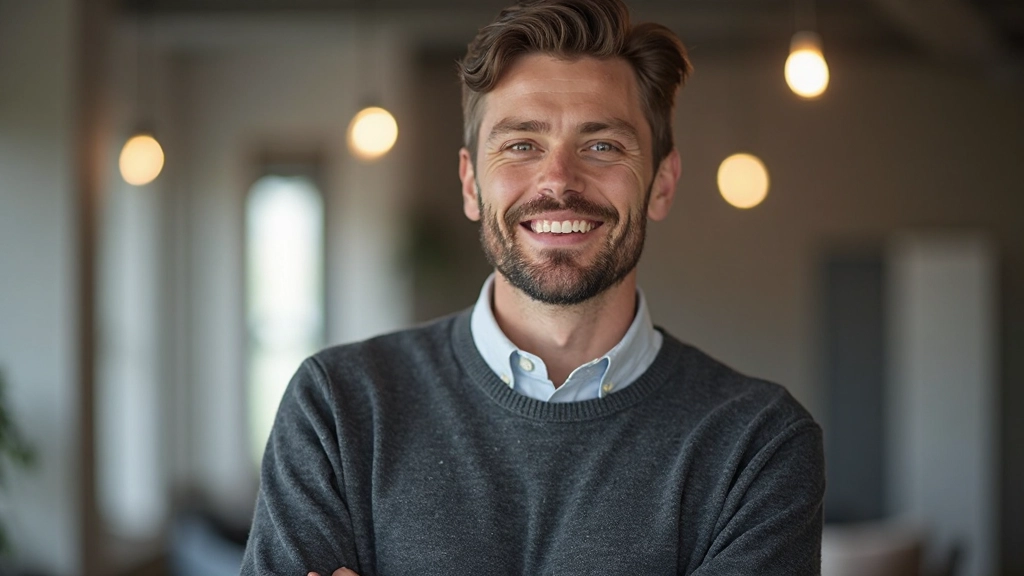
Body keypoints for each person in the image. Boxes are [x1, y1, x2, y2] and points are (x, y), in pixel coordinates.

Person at [240, 0, 825, 574]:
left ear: (663, 183)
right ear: (471, 183)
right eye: (521, 144)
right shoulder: (338, 410)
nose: (558, 181)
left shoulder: (757, 444)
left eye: (602, 146)